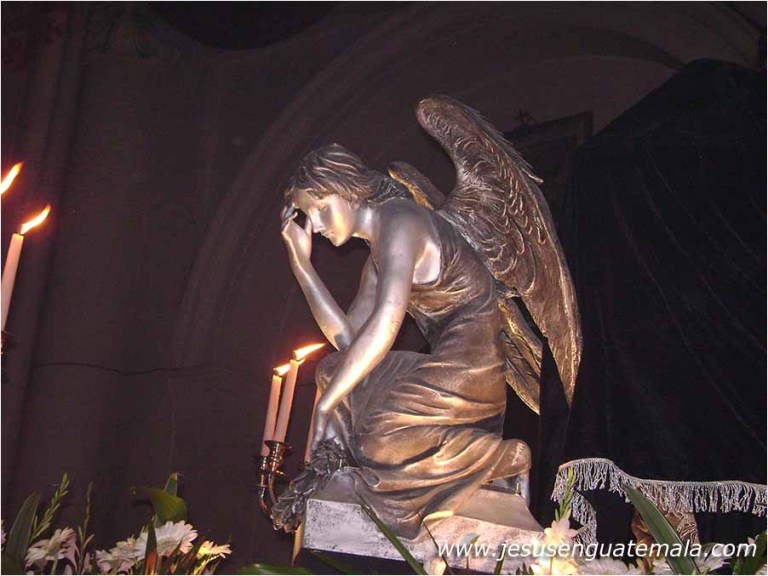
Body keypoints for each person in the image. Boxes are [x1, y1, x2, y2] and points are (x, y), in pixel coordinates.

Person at [280, 143, 531, 540]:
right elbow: (349, 340)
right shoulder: (377, 255)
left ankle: (496, 455)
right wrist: (302, 266)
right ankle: (438, 447)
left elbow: (386, 323)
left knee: (376, 443)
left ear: (349, 189)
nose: (317, 223)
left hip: (472, 370)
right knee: (331, 370)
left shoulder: (400, 221)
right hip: (444, 368)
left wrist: (326, 406)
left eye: (321, 207)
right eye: (308, 215)